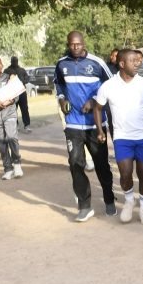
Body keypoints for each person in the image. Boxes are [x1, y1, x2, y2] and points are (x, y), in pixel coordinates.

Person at [55, 31, 117, 222]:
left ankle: (109, 198)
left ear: (84, 43)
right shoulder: (61, 64)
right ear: (68, 44)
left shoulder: (97, 63)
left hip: (95, 124)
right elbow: (59, 85)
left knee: (101, 164)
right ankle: (84, 205)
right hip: (73, 123)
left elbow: (112, 86)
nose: (75, 47)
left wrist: (94, 100)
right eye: (72, 44)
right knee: (75, 163)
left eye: (78, 44)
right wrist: (62, 99)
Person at [92, 49, 143, 224]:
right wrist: (100, 130)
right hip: (122, 138)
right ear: (121, 64)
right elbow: (97, 108)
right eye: (132, 61)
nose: (137, 63)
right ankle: (129, 201)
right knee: (125, 174)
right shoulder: (108, 86)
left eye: (138, 60)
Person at [4, 56, 32, 132]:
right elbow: (3, 80)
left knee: (24, 109)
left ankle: (27, 125)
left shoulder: (22, 70)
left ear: (17, 61)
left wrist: (22, 82)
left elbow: (27, 78)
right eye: (13, 61)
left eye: (15, 61)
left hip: (22, 92)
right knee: (13, 110)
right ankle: (16, 125)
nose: (14, 62)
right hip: (12, 93)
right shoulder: (7, 71)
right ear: (11, 61)